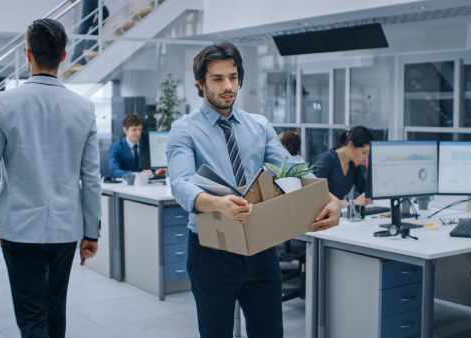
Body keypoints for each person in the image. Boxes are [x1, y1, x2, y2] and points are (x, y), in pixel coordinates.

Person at [167, 42, 340, 338]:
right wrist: (217, 204)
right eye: (218, 79)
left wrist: (330, 199)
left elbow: (295, 169)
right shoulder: (184, 130)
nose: (228, 86)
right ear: (200, 84)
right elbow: (180, 183)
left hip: (261, 248)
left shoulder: (258, 126)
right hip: (212, 252)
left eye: (233, 77)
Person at [0, 18, 101, 338]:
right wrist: (91, 233)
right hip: (66, 230)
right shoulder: (84, 108)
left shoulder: (3, 103)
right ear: (64, 56)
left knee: (31, 318)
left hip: (18, 229)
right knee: (55, 313)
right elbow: (91, 177)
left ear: (28, 55)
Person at [313, 126, 374, 205]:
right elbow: (316, 195)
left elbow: (366, 193)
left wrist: (368, 169)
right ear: (351, 145)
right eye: (364, 153)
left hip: (339, 213)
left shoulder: (354, 164)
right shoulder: (327, 160)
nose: (366, 158)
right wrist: (351, 203)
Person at [108, 113, 166, 179]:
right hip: (125, 185)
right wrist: (136, 175)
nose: (138, 133)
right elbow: (114, 170)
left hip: (147, 185)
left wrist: (156, 171)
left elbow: (151, 168)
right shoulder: (116, 147)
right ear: (125, 130)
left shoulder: (147, 144)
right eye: (134, 130)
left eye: (140, 129)